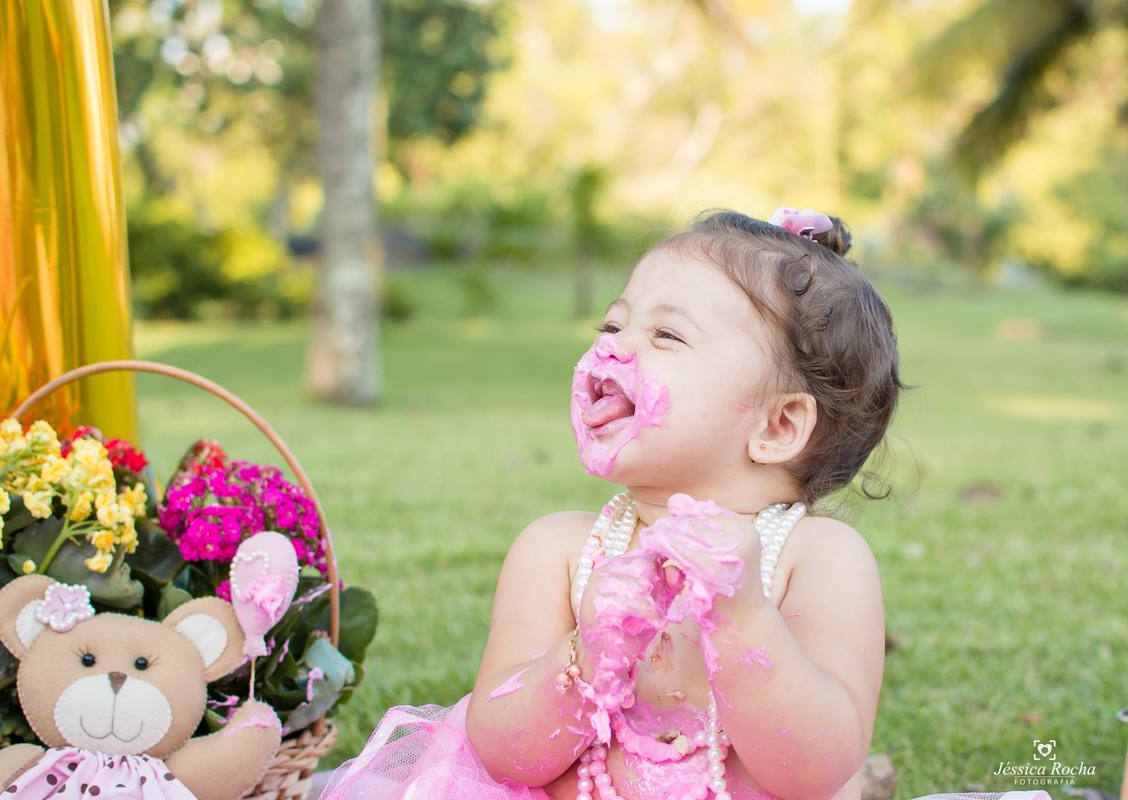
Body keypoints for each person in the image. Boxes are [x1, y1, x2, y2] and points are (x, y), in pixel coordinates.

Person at [321, 208, 903, 800]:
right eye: (610, 327)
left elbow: (816, 770)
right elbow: (502, 755)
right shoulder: (561, 552)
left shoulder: (820, 559)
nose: (615, 350)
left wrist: (744, 617)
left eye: (666, 335)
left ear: (778, 425)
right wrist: (585, 654)